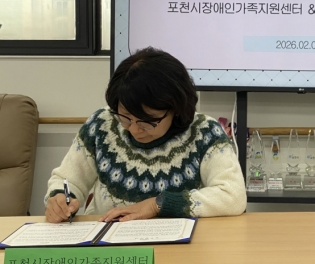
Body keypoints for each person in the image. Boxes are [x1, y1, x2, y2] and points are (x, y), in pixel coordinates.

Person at [45, 47, 247, 222]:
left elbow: (232, 195)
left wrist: (157, 204)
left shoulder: (204, 132)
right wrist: (60, 198)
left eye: (147, 122)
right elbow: (68, 179)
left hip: (180, 243)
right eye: (125, 118)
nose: (134, 129)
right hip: (108, 241)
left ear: (176, 109)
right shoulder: (102, 124)